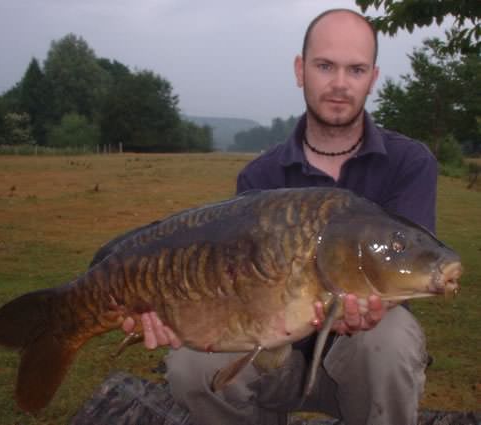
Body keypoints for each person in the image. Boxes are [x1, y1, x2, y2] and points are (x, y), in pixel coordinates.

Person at [123, 8, 437, 425]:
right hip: (275, 360)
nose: (340, 84)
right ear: (300, 70)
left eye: (356, 69)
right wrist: (176, 314)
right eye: (325, 66)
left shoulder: (409, 163)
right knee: (189, 365)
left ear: (373, 78)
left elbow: (410, 265)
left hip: (365, 367)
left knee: (389, 339)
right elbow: (232, 288)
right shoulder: (260, 176)